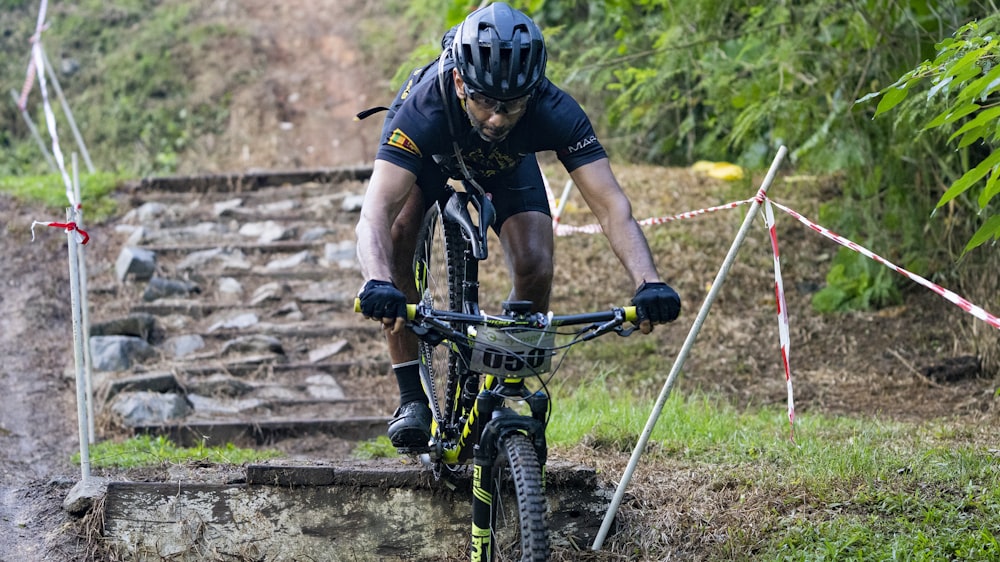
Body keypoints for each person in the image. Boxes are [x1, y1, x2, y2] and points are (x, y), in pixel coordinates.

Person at [355, 3, 681, 450]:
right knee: (397, 239)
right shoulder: (426, 105)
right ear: (458, 82)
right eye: (484, 100)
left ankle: (509, 380)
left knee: (535, 262)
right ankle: (412, 396)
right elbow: (375, 211)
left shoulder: (553, 108)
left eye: (513, 106)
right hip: (430, 157)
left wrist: (649, 282)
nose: (496, 118)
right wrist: (377, 281)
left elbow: (610, 206)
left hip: (505, 166)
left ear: (534, 91)